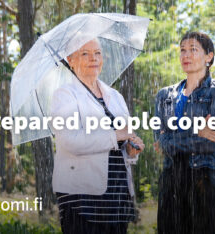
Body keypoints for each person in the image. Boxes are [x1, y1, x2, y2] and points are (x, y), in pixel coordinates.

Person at [51, 39, 145, 234]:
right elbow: (70, 141)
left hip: (117, 195)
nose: (93, 58)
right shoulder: (64, 96)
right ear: (70, 60)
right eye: (85, 53)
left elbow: (121, 142)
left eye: (98, 53)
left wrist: (130, 149)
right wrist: (115, 135)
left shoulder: (115, 96)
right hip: (81, 197)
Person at [154, 32, 215, 234]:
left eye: (193, 50)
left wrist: (172, 138)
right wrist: (198, 130)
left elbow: (211, 143)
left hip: (208, 180)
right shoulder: (165, 96)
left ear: (209, 57)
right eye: (182, 50)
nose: (186, 55)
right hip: (172, 181)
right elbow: (159, 142)